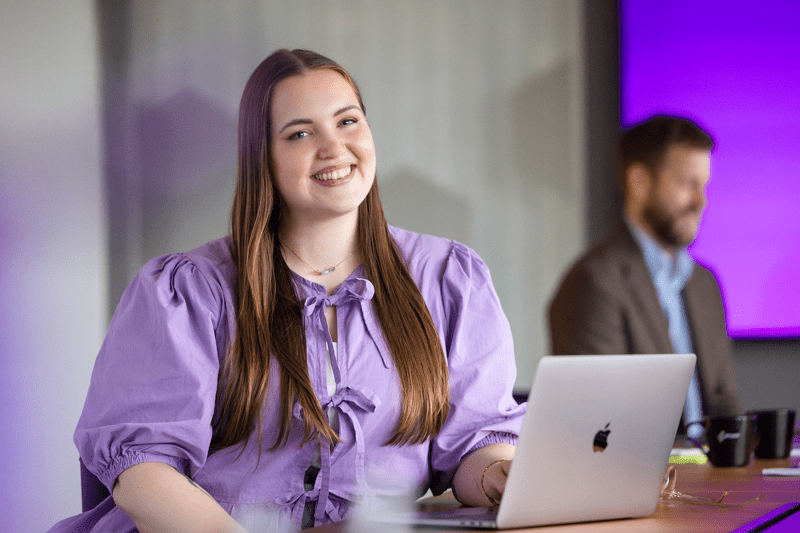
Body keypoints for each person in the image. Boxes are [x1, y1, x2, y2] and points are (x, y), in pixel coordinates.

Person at [47, 49, 524, 533]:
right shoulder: (187, 292)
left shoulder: (448, 277)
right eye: (300, 133)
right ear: (262, 158)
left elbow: (473, 445)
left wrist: (497, 473)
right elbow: (143, 477)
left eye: (348, 122)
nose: (334, 148)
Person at [548, 115, 740, 431]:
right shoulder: (592, 283)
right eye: (686, 184)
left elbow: (725, 405)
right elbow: (600, 424)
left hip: (712, 476)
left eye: (703, 185)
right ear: (639, 182)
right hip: (648, 477)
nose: (700, 201)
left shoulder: (704, 283)